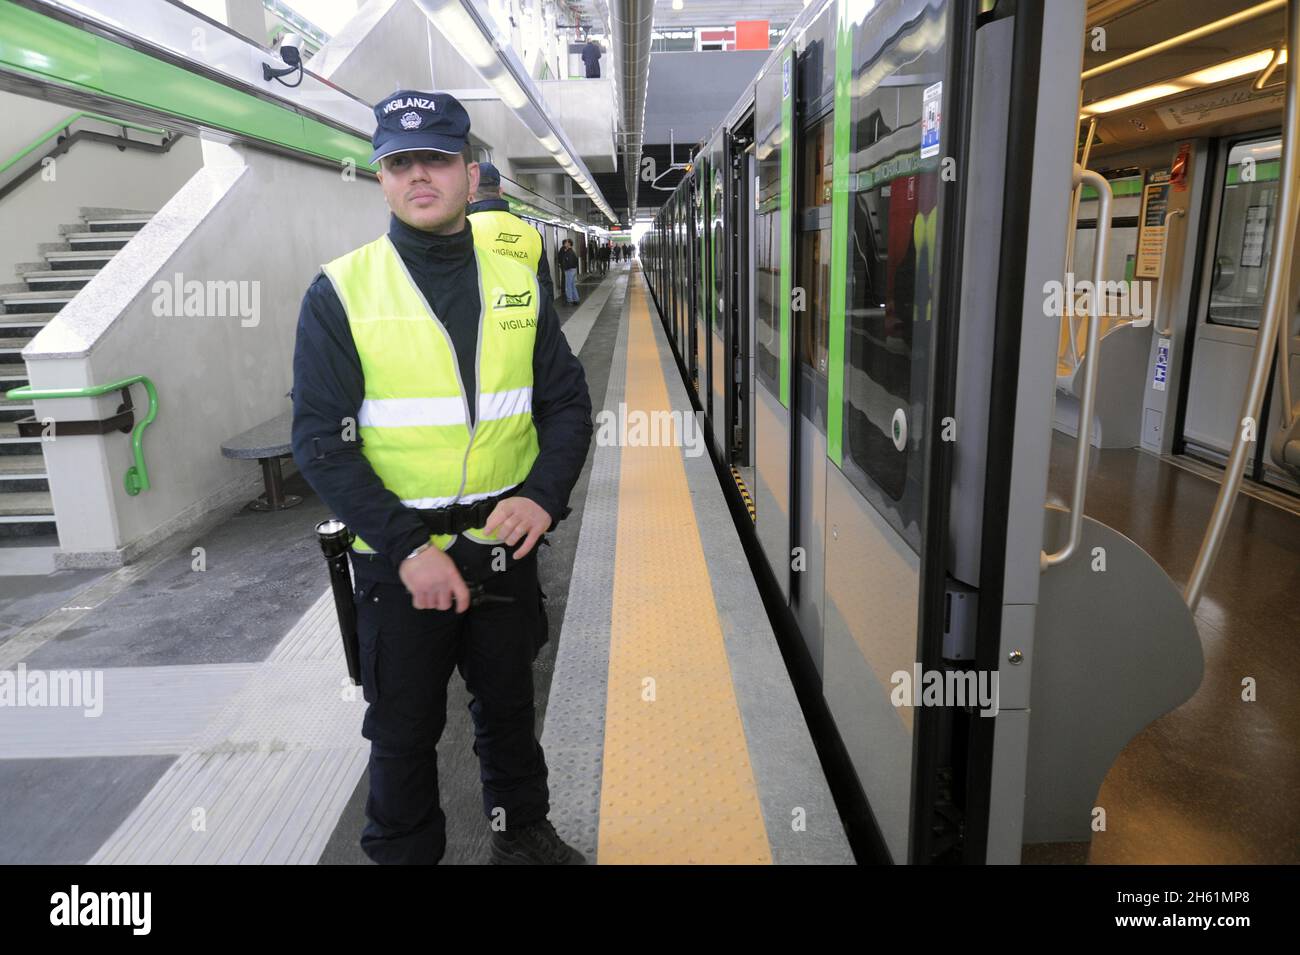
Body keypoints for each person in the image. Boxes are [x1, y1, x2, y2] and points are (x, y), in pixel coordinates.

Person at [291, 89, 593, 865]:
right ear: (381, 177)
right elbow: (322, 441)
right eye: (399, 162)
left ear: (469, 169)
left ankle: (520, 832)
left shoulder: (516, 284)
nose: (417, 175)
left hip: (502, 544)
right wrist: (405, 547)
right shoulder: (342, 292)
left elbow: (564, 403)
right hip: (399, 563)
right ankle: (402, 855)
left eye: (434, 158)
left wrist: (541, 495)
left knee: (508, 703)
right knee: (402, 727)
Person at [468, 161, 555, 307]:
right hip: (528, 321)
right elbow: (545, 286)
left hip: (483, 325)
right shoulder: (532, 233)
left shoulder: (463, 231)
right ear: (501, 192)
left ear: (469, 195)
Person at [558, 238, 579, 304]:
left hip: (569, 270)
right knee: (572, 285)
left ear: (569, 243)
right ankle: (576, 298)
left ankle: (570, 299)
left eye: (566, 242)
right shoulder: (570, 251)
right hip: (572, 270)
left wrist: (565, 268)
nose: (565, 243)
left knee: (568, 286)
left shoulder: (569, 252)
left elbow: (569, 262)